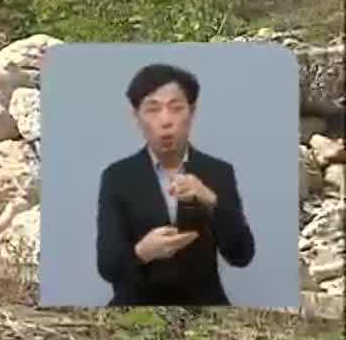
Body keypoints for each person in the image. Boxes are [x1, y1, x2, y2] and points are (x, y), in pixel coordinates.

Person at [95, 62, 255, 306]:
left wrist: (211, 200)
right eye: (152, 109)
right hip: (135, 307)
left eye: (176, 108)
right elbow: (107, 266)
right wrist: (142, 253)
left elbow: (242, 255)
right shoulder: (117, 176)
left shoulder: (217, 171)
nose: (166, 121)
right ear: (136, 116)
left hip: (204, 307)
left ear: (192, 112)